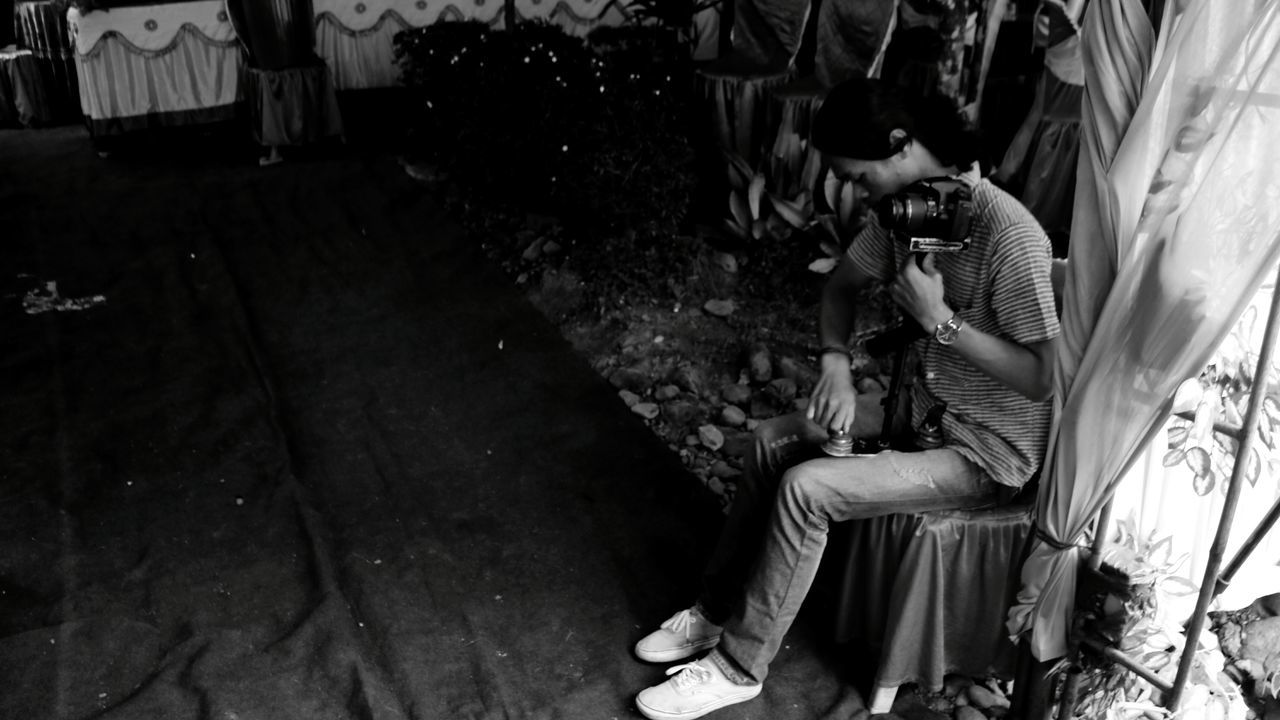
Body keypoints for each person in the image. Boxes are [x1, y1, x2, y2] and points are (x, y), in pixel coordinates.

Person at [631, 77, 1061, 720]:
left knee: (809, 488)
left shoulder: (1009, 233)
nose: (858, 193)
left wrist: (941, 320)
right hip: (916, 418)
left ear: (899, 145)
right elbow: (839, 289)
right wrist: (834, 363)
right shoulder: (910, 212)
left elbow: (1043, 377)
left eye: (859, 178)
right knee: (776, 440)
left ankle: (738, 668)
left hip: (986, 452)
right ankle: (713, 615)